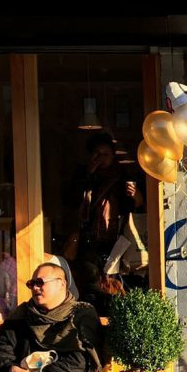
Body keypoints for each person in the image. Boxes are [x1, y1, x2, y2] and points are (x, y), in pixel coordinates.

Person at [67, 132, 145, 310]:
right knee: (91, 285)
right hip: (89, 243)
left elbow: (138, 214)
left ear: (113, 157)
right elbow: (70, 202)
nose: (101, 158)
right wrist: (88, 175)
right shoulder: (83, 176)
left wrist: (138, 199)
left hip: (119, 242)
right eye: (97, 154)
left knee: (116, 286)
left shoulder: (123, 178)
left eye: (105, 154)